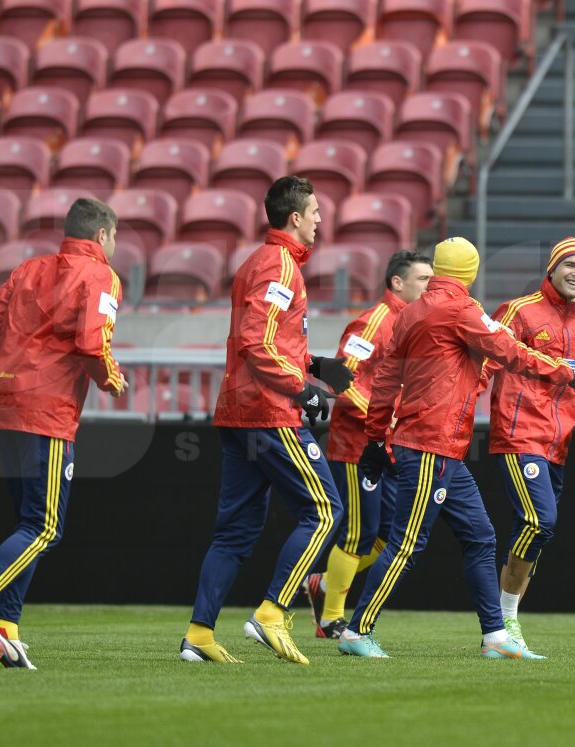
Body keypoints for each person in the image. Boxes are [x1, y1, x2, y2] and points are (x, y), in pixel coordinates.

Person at [337, 237, 575, 659]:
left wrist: (374, 435)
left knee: (480, 535)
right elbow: (510, 351)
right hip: (431, 444)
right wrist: (565, 373)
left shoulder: (410, 313)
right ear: (471, 272)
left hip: (434, 446)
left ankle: (495, 637)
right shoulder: (462, 310)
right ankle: (357, 630)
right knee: (407, 544)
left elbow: (385, 379)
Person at [0, 197, 129, 670]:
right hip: (48, 414)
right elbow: (92, 342)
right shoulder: (101, 275)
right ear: (102, 235)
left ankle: (7, 629)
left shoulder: (28, 269)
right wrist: (110, 377)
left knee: (28, 524)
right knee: (44, 527)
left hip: (6, 412)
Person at [180, 175, 354, 666]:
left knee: (234, 532)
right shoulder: (280, 266)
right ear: (295, 218)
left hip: (238, 411)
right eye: (315, 213)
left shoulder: (258, 261)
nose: (321, 221)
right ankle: (273, 613)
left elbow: (265, 339)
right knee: (324, 511)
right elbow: (259, 343)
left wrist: (316, 365)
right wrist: (303, 390)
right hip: (269, 411)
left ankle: (198, 634)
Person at [482, 237, 575, 658]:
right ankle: (504, 623)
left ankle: (502, 629)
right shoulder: (518, 312)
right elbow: (484, 362)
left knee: (538, 532)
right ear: (552, 270)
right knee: (540, 522)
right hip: (519, 436)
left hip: (557, 444)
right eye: (570, 265)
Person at [299, 251, 434, 639]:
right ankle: (331, 619)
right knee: (359, 532)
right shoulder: (374, 322)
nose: (430, 286)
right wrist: (387, 419)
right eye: (423, 279)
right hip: (358, 444)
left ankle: (323, 584)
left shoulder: (411, 323)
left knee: (387, 535)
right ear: (397, 283)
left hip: (390, 444)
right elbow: (343, 382)